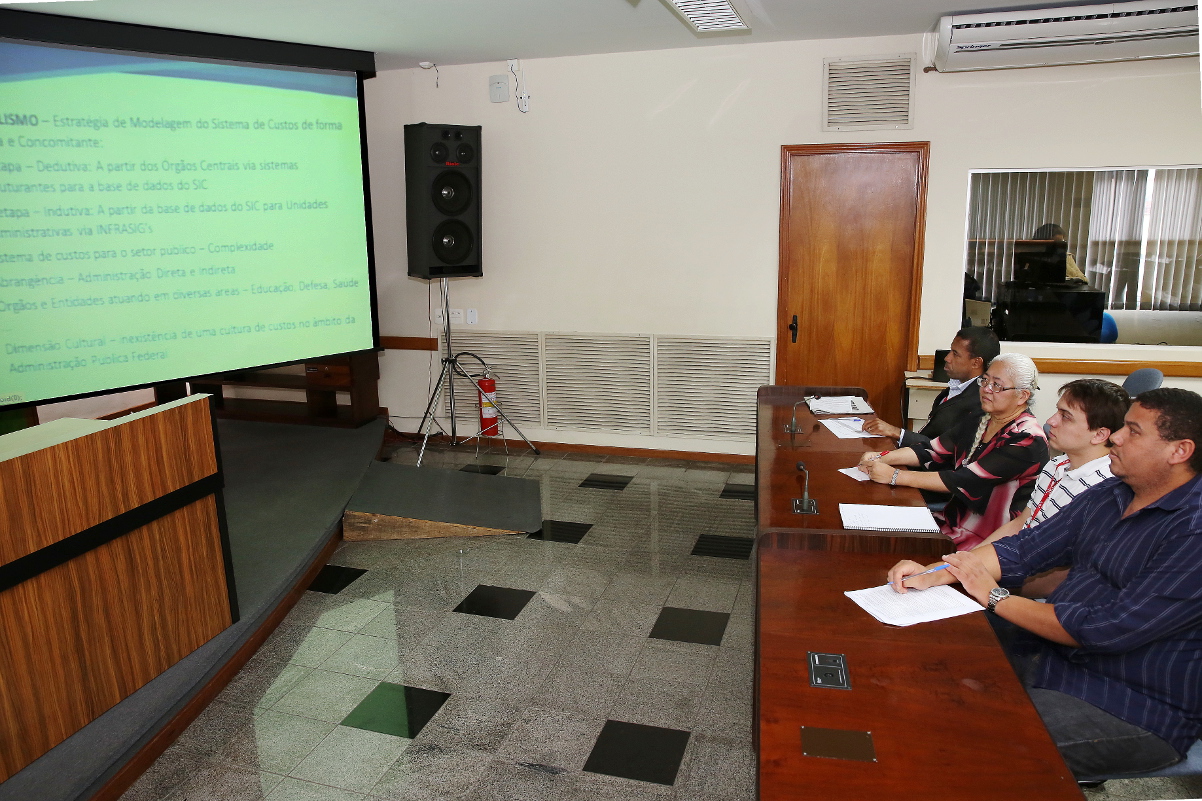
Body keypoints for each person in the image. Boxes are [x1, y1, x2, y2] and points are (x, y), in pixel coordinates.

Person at [887, 388, 1202, 779]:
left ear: (1179, 451)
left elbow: (1106, 630)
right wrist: (936, 572)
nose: (1117, 436)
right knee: (920, 666)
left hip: (1131, 702)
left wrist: (994, 597)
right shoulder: (1114, 492)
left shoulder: (1193, 530)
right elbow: (1024, 549)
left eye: (1133, 431)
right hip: (1051, 655)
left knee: (959, 747)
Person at [859, 353, 1048, 550]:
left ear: (1022, 396)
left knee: (886, 547)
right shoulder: (980, 418)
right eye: (985, 381)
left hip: (986, 541)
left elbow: (964, 480)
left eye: (997, 385)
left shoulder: (1027, 440)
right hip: (951, 522)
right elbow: (932, 450)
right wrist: (883, 457)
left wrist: (895, 476)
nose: (986, 389)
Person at [864, 326, 1000, 450]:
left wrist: (896, 432)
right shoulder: (956, 387)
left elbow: (945, 448)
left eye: (955, 354)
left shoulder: (980, 402)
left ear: (976, 362)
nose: (947, 358)